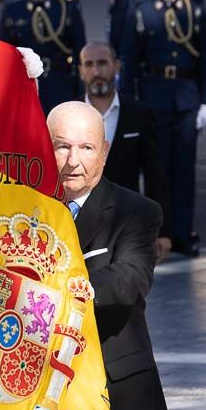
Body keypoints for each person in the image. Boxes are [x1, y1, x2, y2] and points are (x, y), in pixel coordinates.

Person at [46, 100, 171, 410]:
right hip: (46, 405)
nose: (73, 160)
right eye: (61, 146)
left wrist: (61, 293)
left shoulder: (138, 212)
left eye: (85, 147)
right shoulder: (26, 211)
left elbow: (130, 280)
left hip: (120, 400)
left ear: (105, 153)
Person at [119, 0, 206, 257]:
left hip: (186, 96)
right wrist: (131, 103)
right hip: (154, 97)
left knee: (184, 170)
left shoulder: (194, 7)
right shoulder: (141, 8)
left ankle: (184, 233)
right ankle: (161, 234)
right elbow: (131, 60)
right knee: (158, 173)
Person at [79, 41, 173, 261]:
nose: (96, 71)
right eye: (89, 64)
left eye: (102, 63)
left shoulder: (139, 114)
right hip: (77, 230)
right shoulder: (66, 116)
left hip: (126, 229)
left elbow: (155, 176)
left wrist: (163, 232)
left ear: (116, 66)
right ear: (81, 71)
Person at [0, 0, 86, 112]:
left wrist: (79, 86)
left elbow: (79, 47)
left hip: (60, 81)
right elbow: (4, 51)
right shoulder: (13, 8)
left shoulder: (66, 5)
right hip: (26, 83)